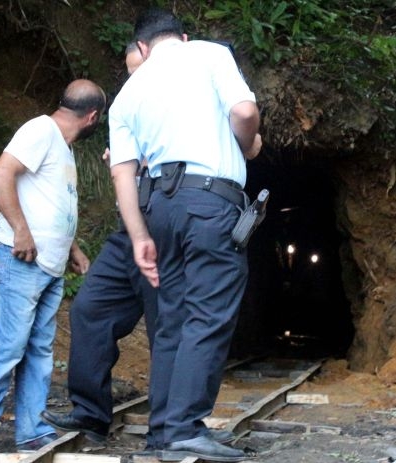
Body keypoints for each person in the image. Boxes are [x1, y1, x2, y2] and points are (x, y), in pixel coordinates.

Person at [108, 7, 261, 462]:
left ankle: (163, 431)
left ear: (142, 47)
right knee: (208, 312)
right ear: (184, 36)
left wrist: (138, 237)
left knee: (170, 319)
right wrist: (247, 142)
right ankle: (183, 429)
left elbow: (122, 174)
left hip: (156, 207)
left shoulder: (126, 94)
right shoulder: (209, 54)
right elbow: (245, 111)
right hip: (209, 202)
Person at [0, 79, 106, 459]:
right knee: (9, 347)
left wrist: (72, 248)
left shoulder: (62, 147)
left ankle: (32, 431)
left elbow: (48, 201)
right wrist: (21, 231)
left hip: (47, 266)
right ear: (93, 117)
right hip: (18, 257)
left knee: (39, 351)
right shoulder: (41, 130)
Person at [38, 43, 156, 445]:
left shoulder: (194, 100)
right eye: (130, 71)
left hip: (172, 226)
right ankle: (90, 414)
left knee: (165, 326)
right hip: (130, 230)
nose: (135, 78)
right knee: (90, 309)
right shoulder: (132, 108)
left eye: (141, 69)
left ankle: (172, 425)